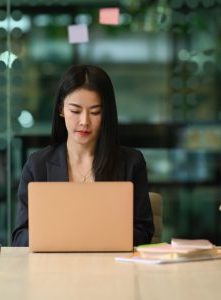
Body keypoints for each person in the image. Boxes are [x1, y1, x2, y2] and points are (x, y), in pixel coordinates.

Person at [12, 65, 154, 246]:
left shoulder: (131, 163)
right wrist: (52, 239)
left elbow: (144, 231)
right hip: (53, 270)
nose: (84, 121)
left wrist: (89, 240)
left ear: (107, 113)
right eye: (75, 111)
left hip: (112, 269)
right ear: (61, 109)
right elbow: (20, 236)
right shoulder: (37, 165)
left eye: (95, 112)